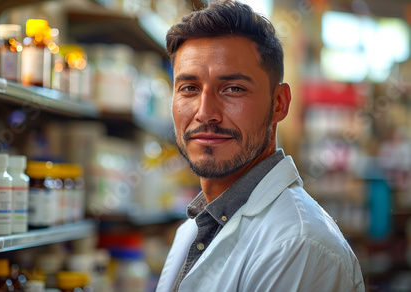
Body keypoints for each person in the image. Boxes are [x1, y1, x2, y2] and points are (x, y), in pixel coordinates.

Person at [156, 1, 365, 291]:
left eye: (233, 89)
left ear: (278, 103)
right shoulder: (195, 228)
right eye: (189, 88)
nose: (205, 112)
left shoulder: (299, 246)